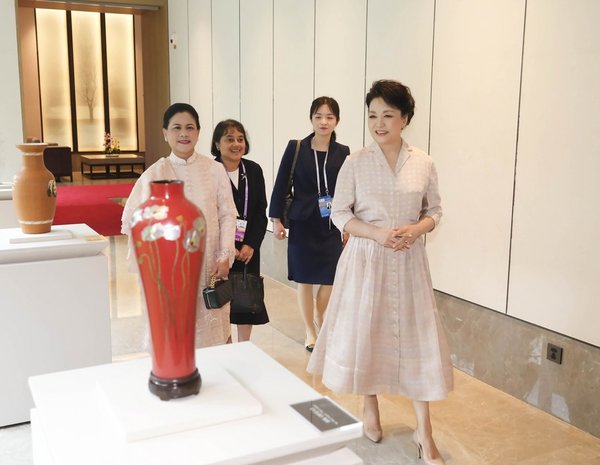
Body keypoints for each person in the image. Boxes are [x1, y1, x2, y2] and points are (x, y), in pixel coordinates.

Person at [307, 80, 453, 465]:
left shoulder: (423, 162)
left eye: (388, 115)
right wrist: (377, 234)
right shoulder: (355, 162)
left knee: (417, 340)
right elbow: (340, 213)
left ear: (405, 118)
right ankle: (369, 405)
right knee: (368, 332)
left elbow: (434, 210)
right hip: (366, 261)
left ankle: (425, 431)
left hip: (408, 262)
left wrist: (416, 229)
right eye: (373, 115)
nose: (379, 122)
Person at [121, 103, 238, 347]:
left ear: (198, 132)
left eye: (189, 128)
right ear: (165, 133)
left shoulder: (215, 170)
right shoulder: (154, 174)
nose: (183, 134)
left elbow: (228, 215)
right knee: (176, 334)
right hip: (171, 270)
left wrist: (225, 255)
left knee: (214, 331)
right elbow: (134, 222)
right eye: (176, 128)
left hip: (210, 266)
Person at [269, 96, 350, 352]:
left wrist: (349, 225)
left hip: (331, 224)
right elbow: (281, 184)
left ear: (337, 120)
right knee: (304, 278)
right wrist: (277, 220)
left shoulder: (344, 152)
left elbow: (349, 190)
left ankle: (320, 313)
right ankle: (309, 330)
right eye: (318, 116)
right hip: (303, 221)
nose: (324, 122)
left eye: (329, 117)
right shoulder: (297, 148)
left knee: (330, 277)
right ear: (311, 119)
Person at [211, 119, 269, 342]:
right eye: (229, 139)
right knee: (222, 298)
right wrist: (226, 248)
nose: (236, 144)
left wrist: (251, 244)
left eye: (240, 139)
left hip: (246, 250)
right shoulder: (211, 171)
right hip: (220, 250)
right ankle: (226, 344)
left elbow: (259, 211)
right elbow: (209, 214)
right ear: (217, 144)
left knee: (247, 297)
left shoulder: (253, 170)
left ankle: (244, 347)